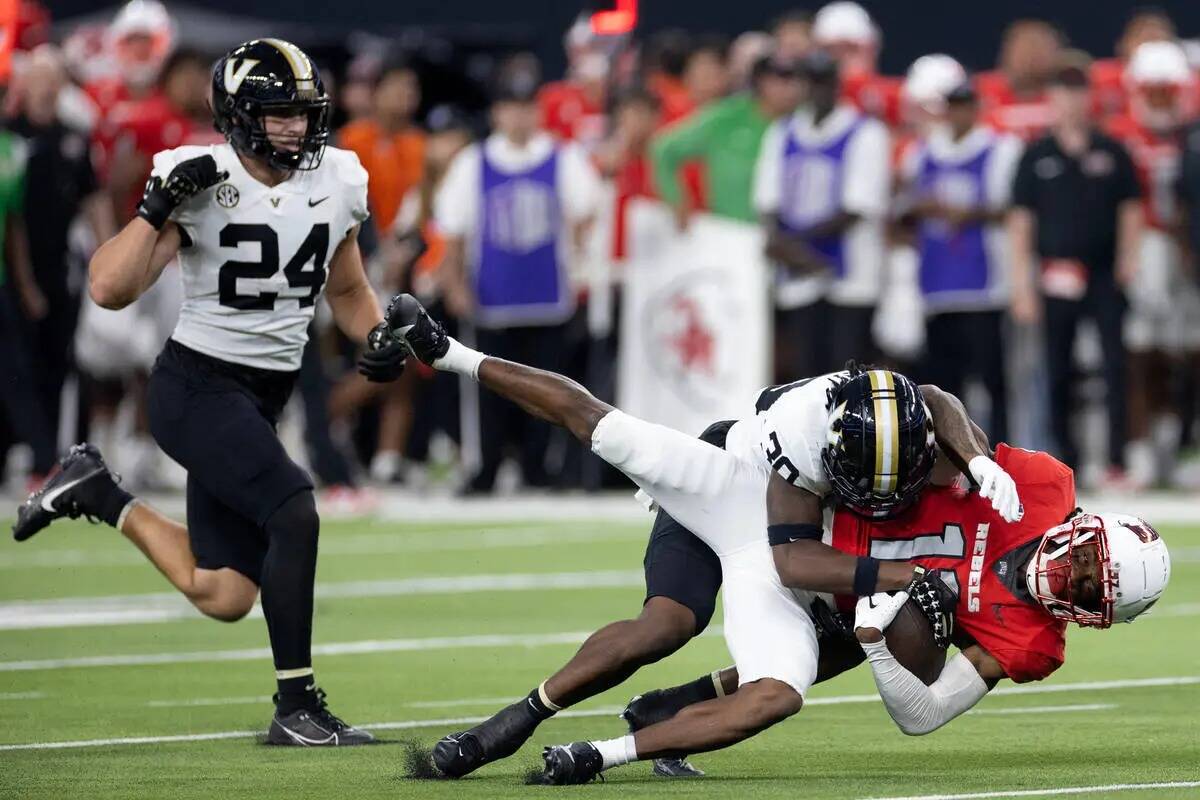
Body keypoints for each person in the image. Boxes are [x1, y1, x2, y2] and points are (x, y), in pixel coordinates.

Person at [384, 293, 1022, 779]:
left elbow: (936, 398)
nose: (890, 500)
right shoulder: (806, 434)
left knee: (779, 692)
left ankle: (610, 750)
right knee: (663, 618)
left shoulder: (896, 407)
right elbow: (793, 561)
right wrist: (900, 577)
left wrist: (979, 461)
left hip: (790, 542)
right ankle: (449, 353)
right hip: (731, 492)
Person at [11, 39, 408, 745]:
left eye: (302, 112)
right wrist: (155, 209)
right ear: (237, 114)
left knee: (223, 593)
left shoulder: (340, 176)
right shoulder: (195, 176)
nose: (294, 127)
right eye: (277, 112)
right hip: (196, 386)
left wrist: (374, 338)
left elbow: (347, 289)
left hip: (261, 396)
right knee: (293, 510)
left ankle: (98, 493)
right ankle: (297, 707)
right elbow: (109, 288)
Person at [588, 454, 1170, 782]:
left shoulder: (1033, 644)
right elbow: (935, 420)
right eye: (1089, 562)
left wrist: (876, 646)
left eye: (1091, 593)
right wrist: (971, 454)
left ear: (1098, 619)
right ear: (1086, 525)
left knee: (906, 623)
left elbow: (925, 714)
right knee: (668, 623)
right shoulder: (1043, 485)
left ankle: (669, 713)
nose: (1074, 579)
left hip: (840, 589)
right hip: (811, 511)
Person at [434, 71, 601, 493]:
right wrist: (455, 284)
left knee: (550, 389)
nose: (519, 117)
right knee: (486, 388)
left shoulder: (563, 157)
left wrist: (579, 261)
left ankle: (539, 467)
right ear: (496, 113)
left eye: (527, 107)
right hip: (492, 297)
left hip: (549, 297)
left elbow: (587, 210)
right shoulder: (474, 162)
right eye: (511, 107)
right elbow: (453, 231)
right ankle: (485, 467)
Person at [1009, 61, 1143, 485]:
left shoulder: (1112, 150)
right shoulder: (1036, 156)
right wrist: (1022, 285)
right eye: (1062, 93)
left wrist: (1128, 258)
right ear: (1051, 100)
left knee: (1115, 364)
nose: (1070, 102)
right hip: (1054, 274)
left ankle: (1117, 461)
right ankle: (1067, 462)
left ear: (1090, 98)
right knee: (1058, 366)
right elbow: (1020, 222)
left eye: (1077, 92)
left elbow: (1131, 208)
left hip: (1104, 273)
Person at [755, 51, 890, 380]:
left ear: (836, 85)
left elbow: (858, 207)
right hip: (799, 275)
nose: (817, 90)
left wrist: (794, 245)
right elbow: (768, 200)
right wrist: (790, 250)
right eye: (810, 82)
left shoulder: (865, 132)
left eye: (824, 82)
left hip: (852, 275)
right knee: (805, 375)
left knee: (849, 372)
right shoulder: (782, 132)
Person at [9, 45, 116, 452]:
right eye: (39, 78)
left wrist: (109, 257)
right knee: (17, 360)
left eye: (53, 79)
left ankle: (54, 451)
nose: (47, 87)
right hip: (14, 263)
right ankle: (20, 449)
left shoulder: (73, 136)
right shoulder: (9, 133)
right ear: (24, 83)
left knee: (63, 359)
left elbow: (94, 199)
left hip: (60, 265)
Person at [904, 81, 1023, 444]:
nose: (958, 114)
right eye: (952, 106)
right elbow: (902, 212)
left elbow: (1011, 208)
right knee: (943, 384)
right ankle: (948, 457)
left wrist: (965, 213)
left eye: (964, 105)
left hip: (984, 285)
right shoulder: (921, 153)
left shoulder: (1000, 149)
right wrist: (918, 207)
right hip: (936, 284)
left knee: (991, 378)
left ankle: (999, 450)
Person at [1106, 41, 1198, 487]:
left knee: (1190, 351)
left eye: (1168, 91)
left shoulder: (1191, 135)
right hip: (1143, 247)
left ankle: (1183, 443)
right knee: (1141, 350)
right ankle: (1143, 448)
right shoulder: (1122, 135)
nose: (1161, 101)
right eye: (1153, 91)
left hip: (1188, 252)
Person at [651, 53, 803, 228]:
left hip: (787, 240)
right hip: (729, 235)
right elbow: (663, 149)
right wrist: (676, 200)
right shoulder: (727, 117)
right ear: (760, 82)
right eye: (780, 81)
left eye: (794, 81)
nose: (789, 89)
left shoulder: (805, 124)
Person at [337, 58, 425, 235]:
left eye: (410, 87)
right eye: (396, 86)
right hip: (359, 244)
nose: (405, 93)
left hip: (410, 246)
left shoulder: (422, 145)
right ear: (375, 92)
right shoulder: (349, 141)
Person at [811, 1, 902, 126]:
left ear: (872, 49)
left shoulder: (899, 97)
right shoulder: (801, 100)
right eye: (831, 51)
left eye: (850, 49)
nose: (841, 59)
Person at [977, 20, 1062, 141]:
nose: (1031, 58)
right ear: (1007, 53)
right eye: (1025, 48)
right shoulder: (981, 90)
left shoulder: (1071, 94)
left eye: (1040, 48)